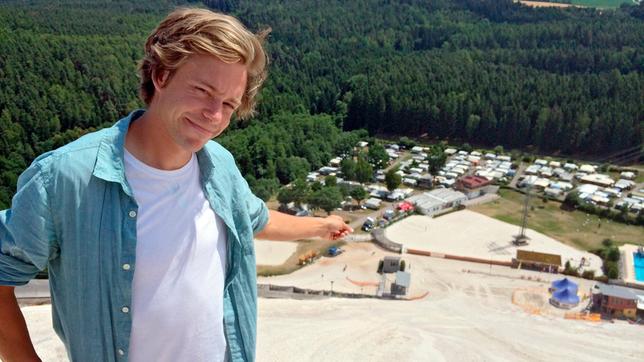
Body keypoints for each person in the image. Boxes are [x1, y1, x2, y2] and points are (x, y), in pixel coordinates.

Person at [0, 8, 352, 362]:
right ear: (161, 75)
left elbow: (254, 220)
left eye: (228, 104)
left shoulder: (220, 167)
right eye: (202, 90)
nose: (214, 116)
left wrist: (324, 226)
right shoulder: (66, 180)